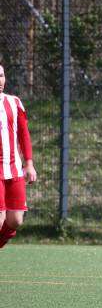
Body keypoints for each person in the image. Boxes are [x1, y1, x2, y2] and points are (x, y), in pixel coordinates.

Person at [0, 64, 37, 248]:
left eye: (1, 75)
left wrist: (29, 164)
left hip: (14, 169)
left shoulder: (14, 102)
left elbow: (23, 134)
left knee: (15, 220)